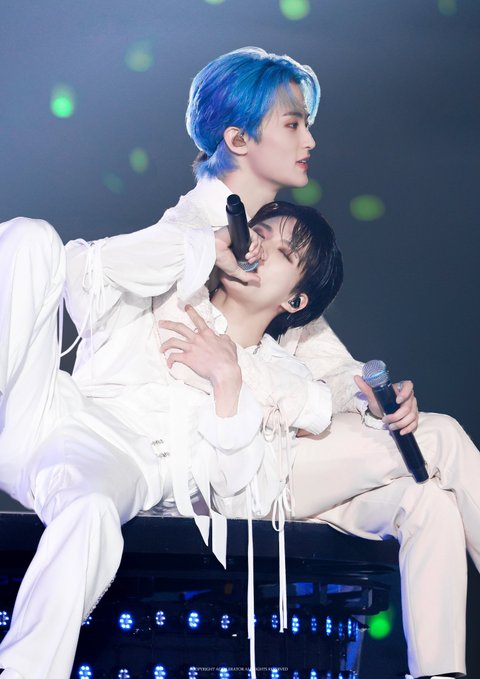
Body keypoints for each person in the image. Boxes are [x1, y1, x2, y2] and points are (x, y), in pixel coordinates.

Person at [170, 47, 479, 679]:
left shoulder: (278, 245)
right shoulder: (191, 239)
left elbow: (331, 368)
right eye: (293, 123)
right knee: (441, 438)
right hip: (228, 473)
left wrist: (373, 399)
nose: (309, 140)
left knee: (429, 501)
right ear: (239, 139)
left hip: (295, 468)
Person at [0, 197, 343, 679]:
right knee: (30, 237)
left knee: (91, 511)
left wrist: (227, 380)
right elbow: (82, 267)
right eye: (259, 234)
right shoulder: (169, 283)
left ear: (295, 301)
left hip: (119, 461)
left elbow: (235, 493)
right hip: (45, 409)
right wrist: (202, 248)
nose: (260, 250)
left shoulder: (276, 380)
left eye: (283, 253)